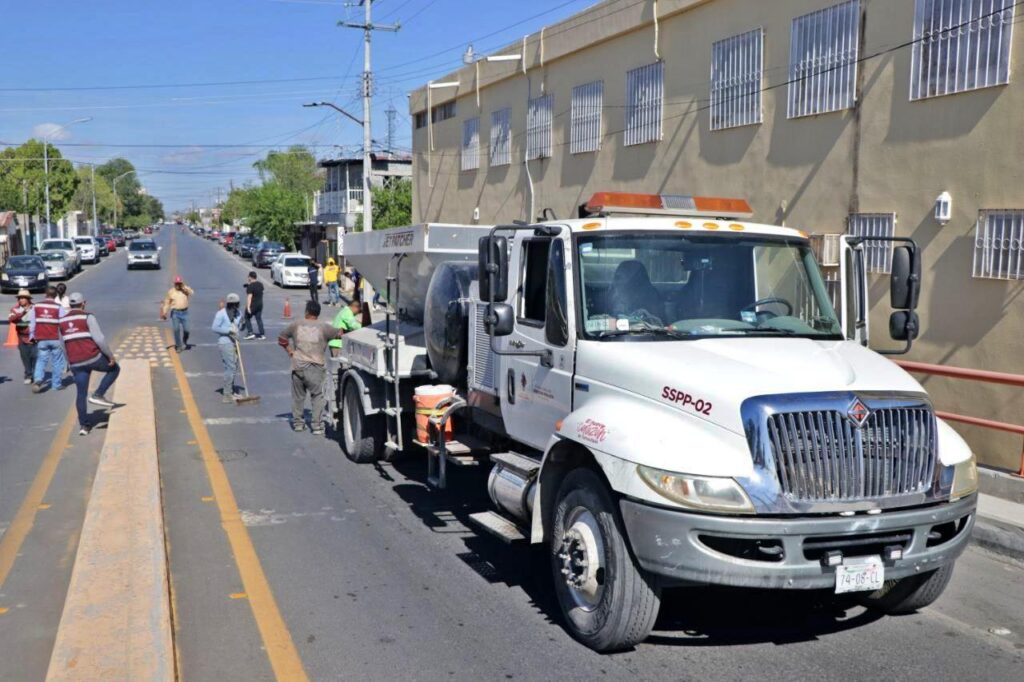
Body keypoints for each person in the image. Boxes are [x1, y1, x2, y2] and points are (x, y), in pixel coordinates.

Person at [60, 293, 120, 436]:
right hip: (93, 357)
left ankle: (84, 426)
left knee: (81, 394)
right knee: (115, 369)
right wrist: (110, 356)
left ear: (70, 305)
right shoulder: (87, 317)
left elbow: (62, 345)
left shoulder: (61, 321)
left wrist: (68, 362)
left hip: (76, 362)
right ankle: (98, 394)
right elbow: (99, 339)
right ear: (83, 303)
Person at [278, 300, 341, 435]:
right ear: (318, 313)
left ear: (306, 311)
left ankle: (298, 424)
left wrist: (290, 351)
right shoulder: (324, 327)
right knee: (318, 396)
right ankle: (317, 426)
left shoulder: (296, 324)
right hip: (316, 368)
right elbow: (340, 334)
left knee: (298, 397)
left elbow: (282, 339)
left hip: (298, 367)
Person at [27, 286, 67, 393]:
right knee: (57, 362)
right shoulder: (58, 307)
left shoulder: (36, 306)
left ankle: (38, 379)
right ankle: (56, 385)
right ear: (55, 296)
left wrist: (32, 336)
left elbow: (32, 323)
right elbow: (63, 324)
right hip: (54, 338)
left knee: (41, 360)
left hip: (41, 339)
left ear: (45, 294)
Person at [212, 293, 242, 403]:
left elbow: (239, 326)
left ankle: (230, 390)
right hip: (225, 343)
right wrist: (229, 330)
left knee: (233, 366)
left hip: (235, 343)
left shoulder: (238, 313)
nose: (235, 306)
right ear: (229, 304)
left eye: (236, 304)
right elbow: (215, 327)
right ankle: (227, 394)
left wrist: (240, 326)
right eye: (233, 304)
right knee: (231, 367)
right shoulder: (221, 314)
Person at [8, 289, 38, 385]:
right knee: (25, 357)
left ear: (28, 299)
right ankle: (28, 375)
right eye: (19, 298)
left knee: (35, 356)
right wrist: (22, 313)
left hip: (34, 336)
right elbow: (11, 319)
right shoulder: (15, 309)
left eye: (23, 298)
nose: (20, 300)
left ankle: (35, 374)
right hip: (22, 336)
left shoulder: (35, 308)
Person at [162, 275, 194, 352]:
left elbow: (192, 292)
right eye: (176, 283)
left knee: (187, 330)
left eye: (179, 283)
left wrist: (184, 286)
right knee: (176, 329)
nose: (178, 285)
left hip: (184, 312)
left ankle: (184, 340)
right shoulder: (171, 291)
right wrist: (164, 312)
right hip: (175, 313)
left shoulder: (185, 290)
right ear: (174, 284)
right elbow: (167, 303)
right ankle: (179, 346)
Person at [242, 271, 265, 340]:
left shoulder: (250, 287)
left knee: (247, 317)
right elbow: (258, 289)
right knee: (259, 319)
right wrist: (249, 285)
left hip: (253, 305)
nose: (248, 278)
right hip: (260, 305)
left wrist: (248, 307)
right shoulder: (260, 284)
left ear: (250, 277)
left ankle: (250, 333)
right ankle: (262, 334)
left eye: (248, 276)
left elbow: (249, 297)